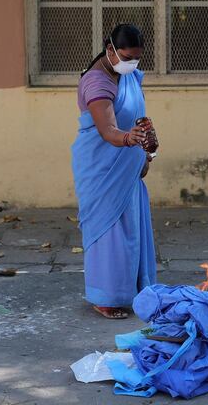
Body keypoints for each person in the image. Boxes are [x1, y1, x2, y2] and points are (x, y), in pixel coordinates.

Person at [71, 24, 157, 319]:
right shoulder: (97, 83)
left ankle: (130, 290)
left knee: (130, 229)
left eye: (136, 58)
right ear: (110, 50)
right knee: (108, 232)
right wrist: (128, 139)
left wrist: (146, 148)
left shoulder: (127, 75)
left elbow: (137, 115)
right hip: (101, 166)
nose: (132, 63)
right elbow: (108, 130)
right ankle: (105, 297)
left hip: (127, 166)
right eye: (126, 57)